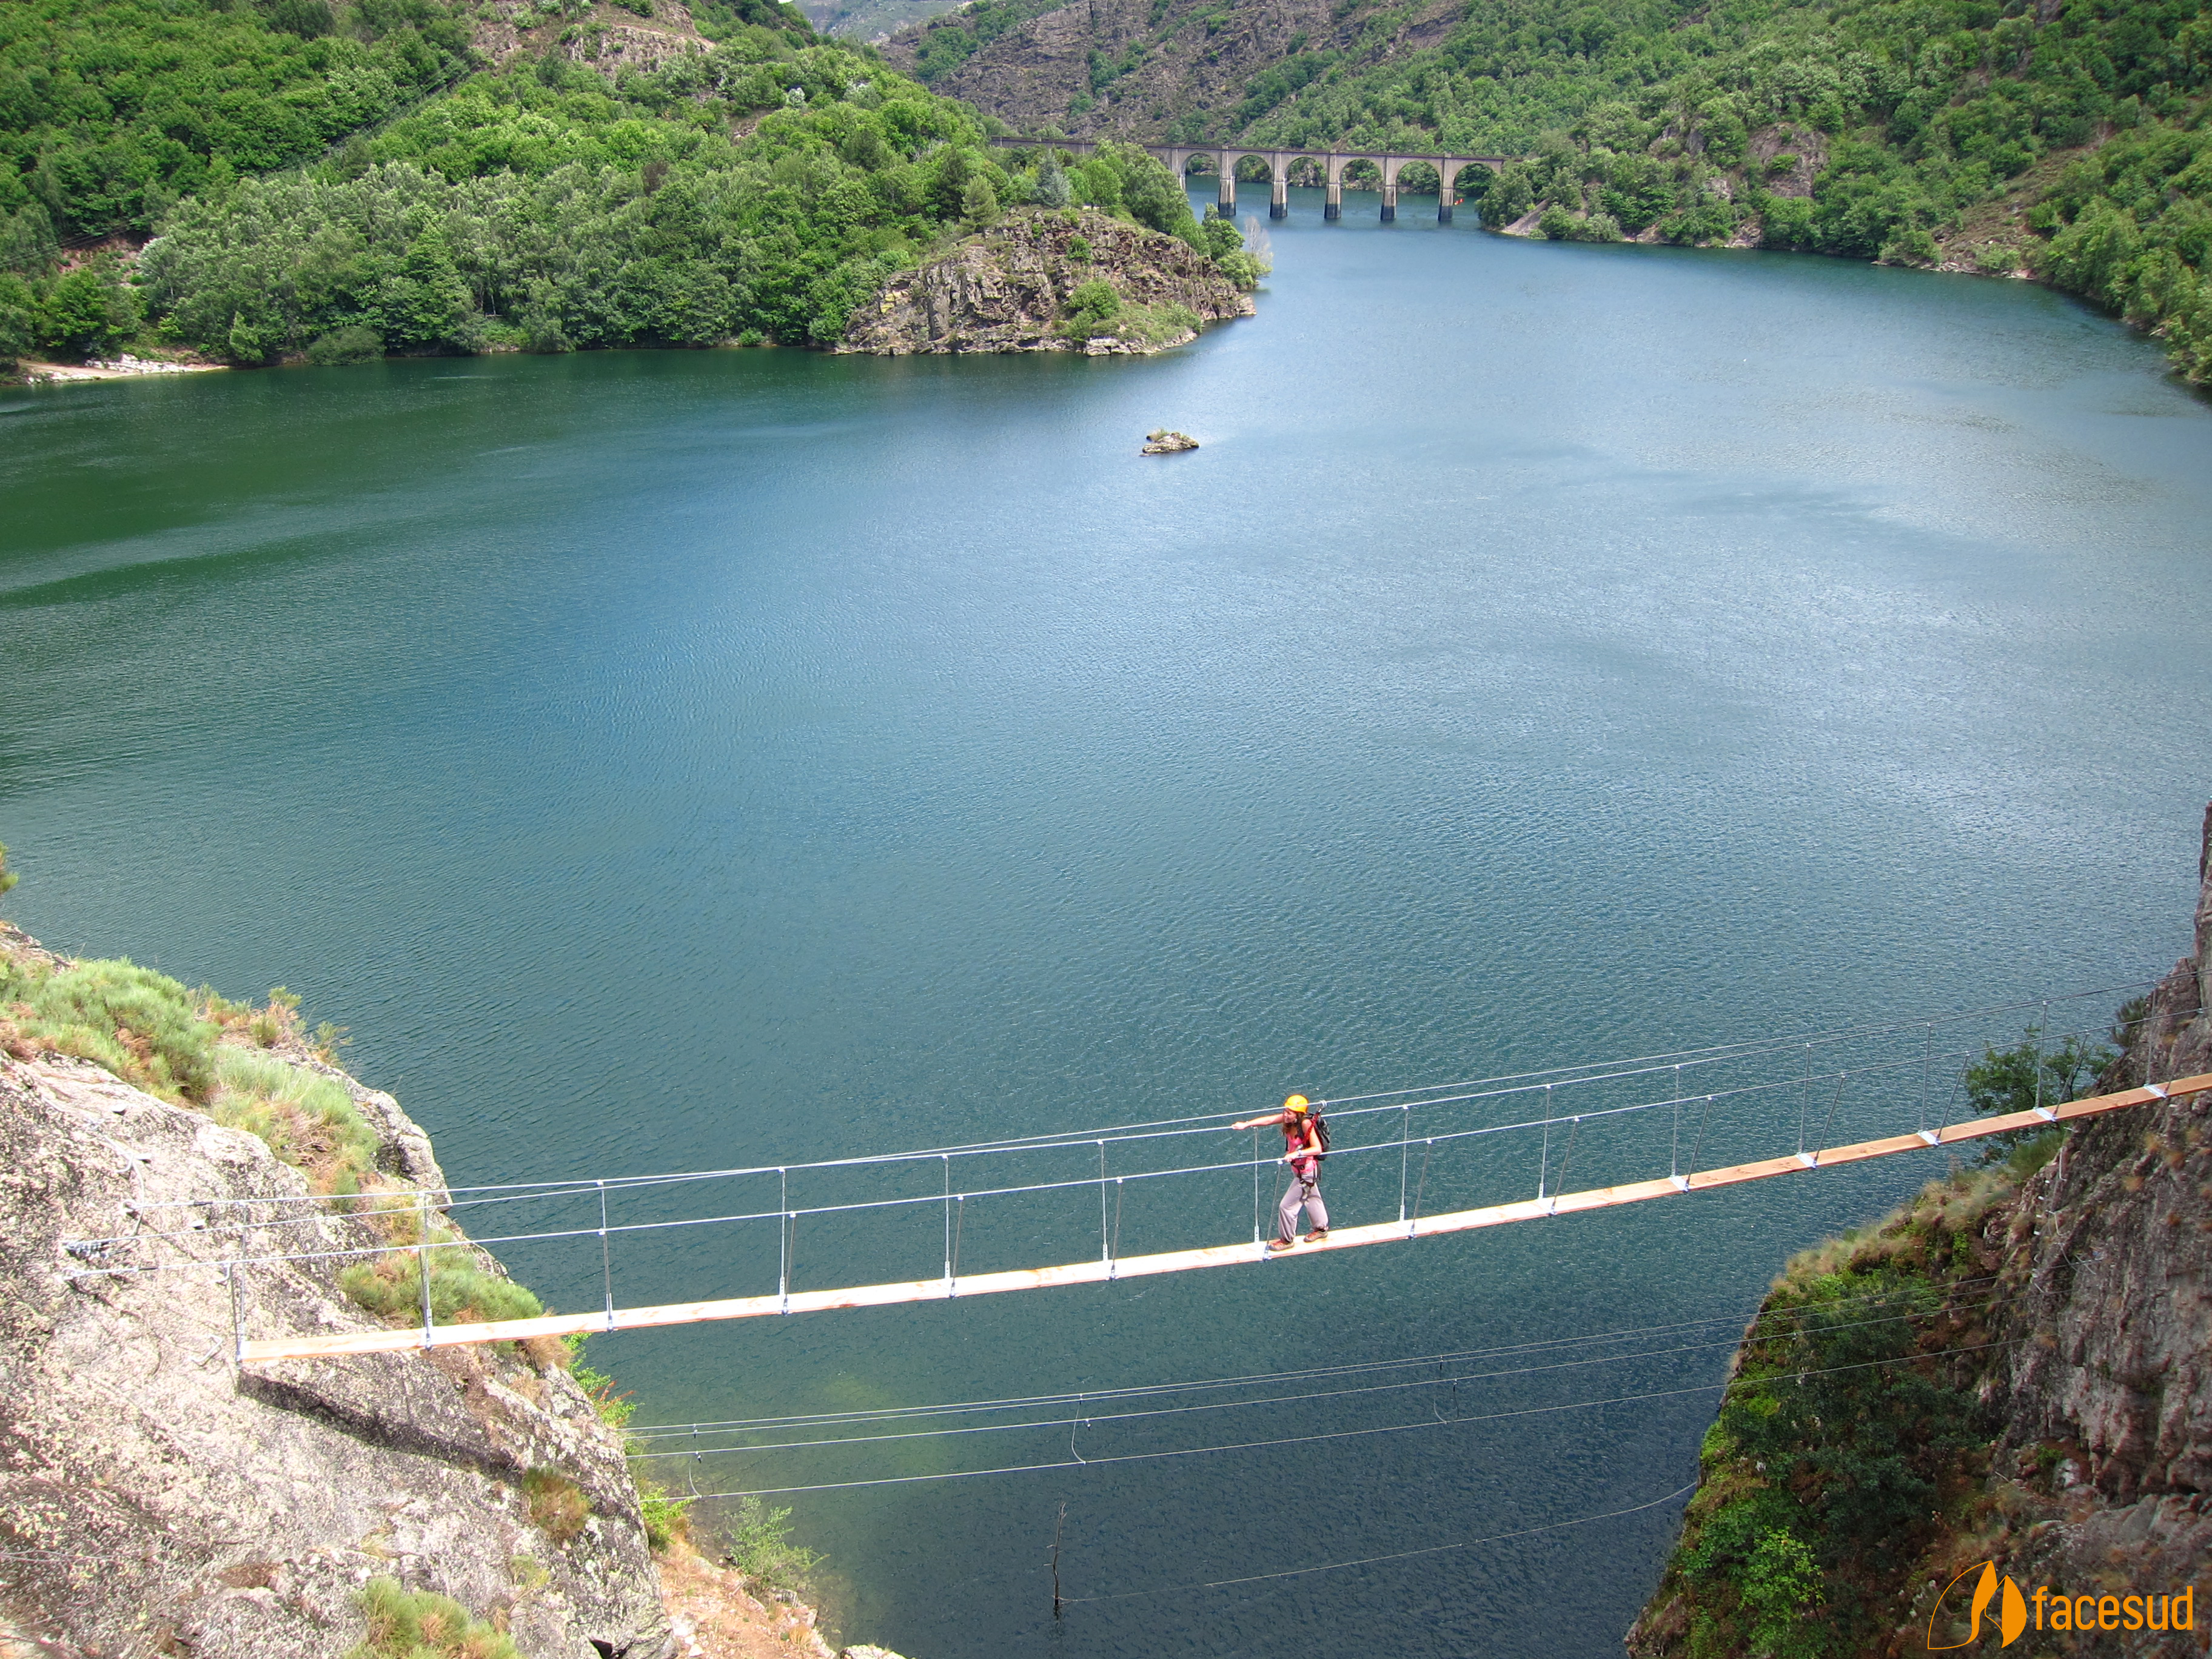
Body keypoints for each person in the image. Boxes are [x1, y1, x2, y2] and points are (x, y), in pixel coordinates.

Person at [1231, 1094, 1329, 1252]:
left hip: (1307, 1172)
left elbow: (1317, 1148)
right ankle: (1321, 1229)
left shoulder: (1305, 1124)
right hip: (1301, 1171)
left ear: (1298, 1114)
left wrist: (1296, 1154)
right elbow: (1268, 1120)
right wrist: (1247, 1124)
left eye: (1289, 1112)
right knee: (1312, 1198)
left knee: (1287, 1206)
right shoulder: (1289, 1120)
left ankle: (1287, 1239)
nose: (1285, 1114)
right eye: (1285, 1111)